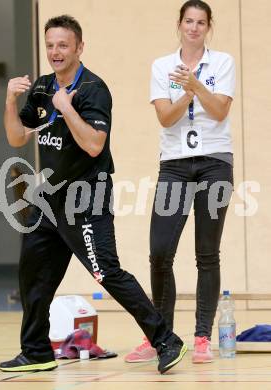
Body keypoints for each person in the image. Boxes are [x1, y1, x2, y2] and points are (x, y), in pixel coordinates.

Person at [0, 15, 187, 374]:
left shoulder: (93, 90)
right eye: (50, 45)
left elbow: (94, 145)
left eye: (63, 45)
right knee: (33, 271)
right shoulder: (41, 88)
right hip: (49, 198)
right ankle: (36, 350)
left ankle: (166, 340)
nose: (55, 52)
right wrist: (10, 100)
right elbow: (16, 137)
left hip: (85, 197)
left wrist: (66, 109)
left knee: (107, 272)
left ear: (79, 48)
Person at [125, 0, 235, 364]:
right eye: (189, 21)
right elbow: (166, 119)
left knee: (207, 252)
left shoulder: (222, 63)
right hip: (174, 166)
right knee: (160, 252)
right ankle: (161, 335)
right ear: (180, 24)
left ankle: (202, 336)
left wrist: (196, 85)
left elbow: (220, 111)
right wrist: (187, 91)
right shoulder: (161, 66)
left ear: (208, 27)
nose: (194, 27)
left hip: (214, 163)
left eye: (201, 22)